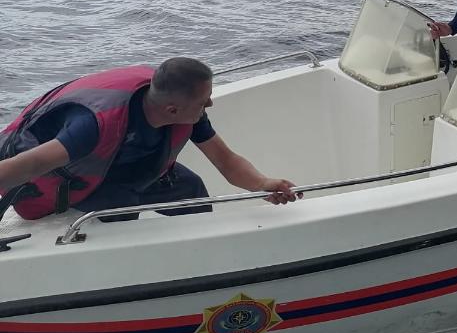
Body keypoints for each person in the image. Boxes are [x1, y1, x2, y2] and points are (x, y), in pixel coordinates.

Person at [0, 57, 299, 221]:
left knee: (190, 186)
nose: (210, 104)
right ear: (172, 109)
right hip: (77, 183)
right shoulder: (93, 126)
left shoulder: (187, 112)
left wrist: (262, 184)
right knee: (122, 204)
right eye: (204, 101)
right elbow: (31, 164)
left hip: (131, 168)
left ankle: (200, 254)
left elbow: (225, 159)